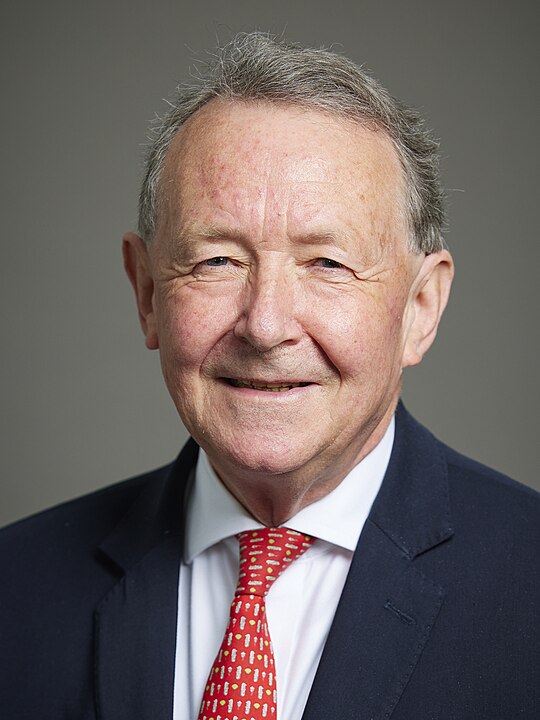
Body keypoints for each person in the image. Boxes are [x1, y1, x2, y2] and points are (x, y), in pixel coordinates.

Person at [1, 32, 538, 720]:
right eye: (217, 261)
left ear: (421, 307)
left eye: (327, 264)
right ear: (148, 293)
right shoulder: (16, 589)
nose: (265, 324)